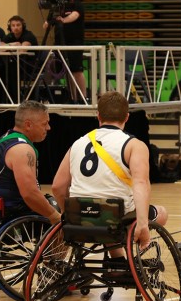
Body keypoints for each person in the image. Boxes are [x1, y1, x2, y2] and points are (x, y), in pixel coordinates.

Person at [52, 91, 168, 257]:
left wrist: (68, 214)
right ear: (127, 117)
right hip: (113, 219)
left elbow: (57, 187)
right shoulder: (134, 145)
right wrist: (142, 223)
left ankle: (118, 260)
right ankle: (121, 262)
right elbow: (141, 184)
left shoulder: (78, 143)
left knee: (108, 212)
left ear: (98, 116)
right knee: (161, 213)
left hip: (79, 216)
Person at [0, 100, 61, 224]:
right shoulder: (22, 149)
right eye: (45, 123)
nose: (48, 128)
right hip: (3, 215)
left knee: (49, 203)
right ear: (28, 125)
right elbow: (29, 194)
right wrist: (55, 216)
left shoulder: (7, 138)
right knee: (59, 216)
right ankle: (58, 243)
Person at [42, 0, 86, 104]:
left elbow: (74, 16)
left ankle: (83, 98)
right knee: (65, 70)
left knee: (76, 70)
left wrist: (63, 20)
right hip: (59, 42)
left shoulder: (76, 4)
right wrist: (48, 22)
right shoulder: (56, 7)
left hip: (74, 42)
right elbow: (46, 25)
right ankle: (72, 98)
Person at [3, 15, 38, 103]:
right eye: (13, 25)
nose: (16, 28)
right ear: (9, 27)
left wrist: (8, 46)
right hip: (16, 64)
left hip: (30, 66)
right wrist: (13, 44)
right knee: (1, 67)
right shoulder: (10, 36)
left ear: (23, 26)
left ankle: (15, 100)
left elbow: (22, 50)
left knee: (12, 68)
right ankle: (4, 100)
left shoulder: (28, 35)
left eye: (18, 25)